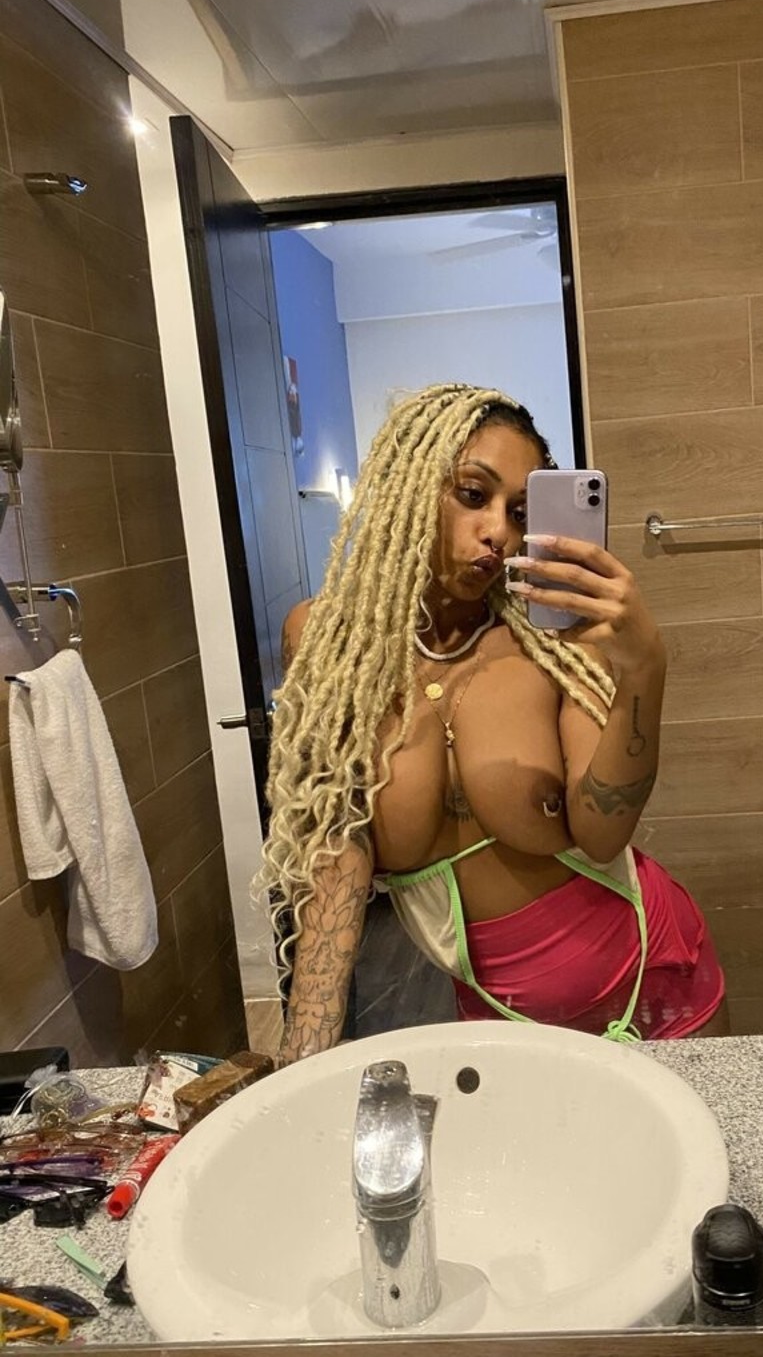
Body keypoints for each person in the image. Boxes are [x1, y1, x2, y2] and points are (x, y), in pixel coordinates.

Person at [259, 383, 726, 1065]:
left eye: (520, 512)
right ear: (406, 487)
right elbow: (335, 855)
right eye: (473, 494)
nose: (499, 532)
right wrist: (303, 1058)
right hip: (500, 1020)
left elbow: (603, 833)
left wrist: (645, 668)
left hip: (651, 986)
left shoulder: (554, 642)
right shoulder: (331, 644)